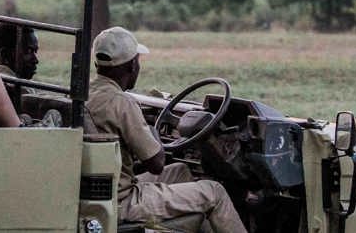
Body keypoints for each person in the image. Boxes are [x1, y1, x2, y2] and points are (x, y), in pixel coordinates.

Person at [87, 27, 246, 233]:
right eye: (138, 61)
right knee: (215, 192)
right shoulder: (121, 103)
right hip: (123, 201)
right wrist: (153, 134)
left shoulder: (87, 93)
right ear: (132, 65)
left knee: (181, 171)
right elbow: (156, 163)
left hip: (105, 190)